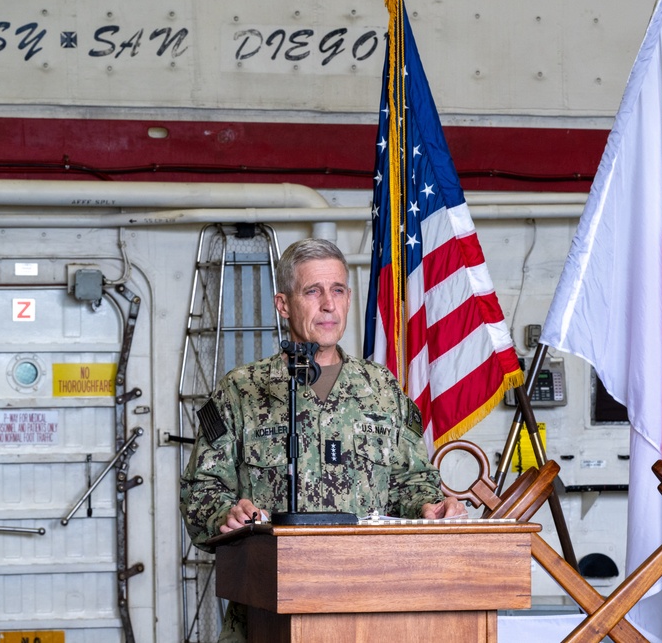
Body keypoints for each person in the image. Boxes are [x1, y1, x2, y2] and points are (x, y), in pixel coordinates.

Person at [179, 237, 465, 641]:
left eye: (338, 290)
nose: (328, 304)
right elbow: (201, 489)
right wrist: (225, 514)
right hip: (268, 615)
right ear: (283, 304)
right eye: (312, 291)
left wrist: (429, 507)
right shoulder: (242, 390)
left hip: (372, 609)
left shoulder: (381, 389)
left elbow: (411, 482)